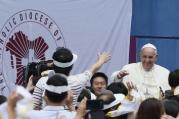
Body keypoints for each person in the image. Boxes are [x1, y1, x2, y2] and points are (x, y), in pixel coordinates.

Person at [33, 47, 110, 109]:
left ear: (53, 65)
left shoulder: (42, 81)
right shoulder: (77, 81)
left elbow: (34, 105)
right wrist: (101, 60)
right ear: (71, 67)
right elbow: (93, 69)